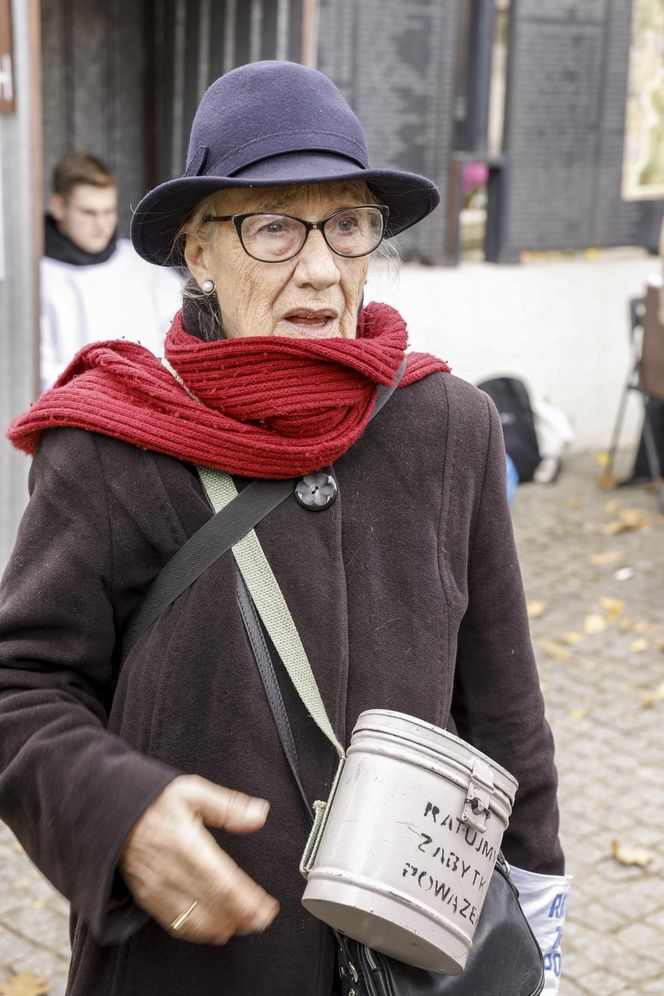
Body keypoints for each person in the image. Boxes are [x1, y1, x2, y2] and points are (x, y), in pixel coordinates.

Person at [0, 62, 570, 996]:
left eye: (345, 225)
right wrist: (120, 812)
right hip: (183, 963)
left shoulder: (447, 426)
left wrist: (539, 926)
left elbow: (505, 710)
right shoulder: (109, 445)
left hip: (412, 966)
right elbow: (20, 685)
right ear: (197, 252)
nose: (318, 268)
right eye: (272, 227)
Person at [40, 152, 182, 389]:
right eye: (89, 213)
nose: (101, 224)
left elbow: (178, 340)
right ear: (58, 207)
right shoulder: (38, 277)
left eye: (109, 212)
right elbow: (38, 371)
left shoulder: (144, 266)